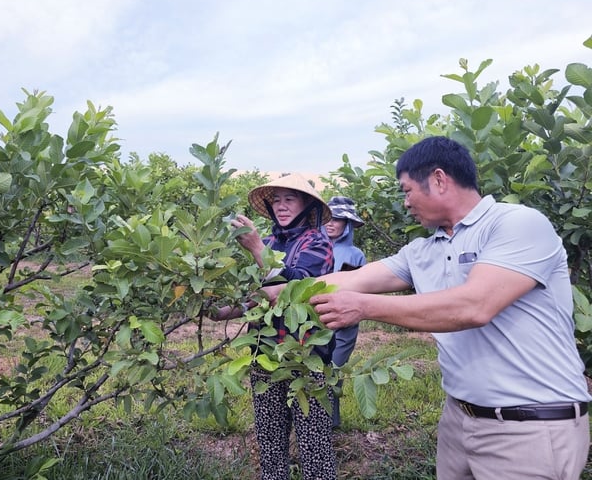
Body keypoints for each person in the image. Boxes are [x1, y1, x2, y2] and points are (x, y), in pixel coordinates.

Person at [263, 137, 591, 480]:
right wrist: (271, 295)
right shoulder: (423, 250)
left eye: (406, 191)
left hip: (529, 427)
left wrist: (363, 307)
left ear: (438, 179)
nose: (405, 203)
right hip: (460, 418)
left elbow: (474, 306)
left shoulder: (517, 224)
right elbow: (350, 280)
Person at [210, 173, 337, 480]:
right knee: (269, 440)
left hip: (306, 357)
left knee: (314, 443)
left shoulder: (318, 244)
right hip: (265, 354)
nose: (281, 206)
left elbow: (292, 285)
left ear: (306, 205)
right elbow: (253, 295)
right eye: (276, 200)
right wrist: (219, 310)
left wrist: (256, 249)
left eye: (289, 199)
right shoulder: (268, 242)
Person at [324, 196, 366, 427]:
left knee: (333, 372)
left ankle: (331, 424)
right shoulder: (314, 248)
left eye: (338, 219)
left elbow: (363, 289)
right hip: (316, 323)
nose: (331, 224)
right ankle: (318, 424)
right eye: (328, 219)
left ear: (347, 225)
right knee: (315, 373)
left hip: (344, 325)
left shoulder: (355, 255)